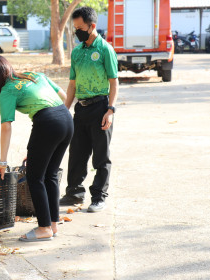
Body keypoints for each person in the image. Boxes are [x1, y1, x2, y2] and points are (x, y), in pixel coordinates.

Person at [0, 55, 74, 242]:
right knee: (50, 175)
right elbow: (64, 97)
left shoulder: (8, 90)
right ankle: (53, 224)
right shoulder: (35, 75)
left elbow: (6, 126)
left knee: (34, 177)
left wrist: (2, 162)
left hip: (47, 123)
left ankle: (43, 228)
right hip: (65, 119)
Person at [59, 6, 119, 212]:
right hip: (81, 109)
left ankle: (99, 197)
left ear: (92, 26)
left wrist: (110, 110)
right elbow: (72, 85)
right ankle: (74, 193)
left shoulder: (105, 49)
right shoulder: (77, 52)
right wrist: (64, 110)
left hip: (101, 107)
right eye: (75, 28)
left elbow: (114, 82)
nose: (77, 32)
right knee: (77, 153)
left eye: (80, 28)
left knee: (101, 156)